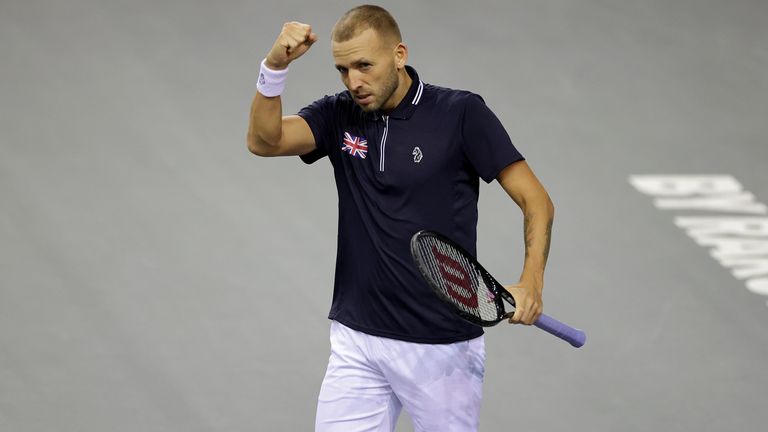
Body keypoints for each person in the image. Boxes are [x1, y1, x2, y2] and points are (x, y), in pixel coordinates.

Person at [247, 5, 554, 431]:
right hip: (357, 339)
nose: (353, 81)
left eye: (364, 66)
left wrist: (532, 281)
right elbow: (265, 141)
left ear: (399, 55)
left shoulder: (460, 114)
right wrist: (274, 66)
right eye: (342, 70)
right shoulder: (339, 115)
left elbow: (535, 199)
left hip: (440, 350)